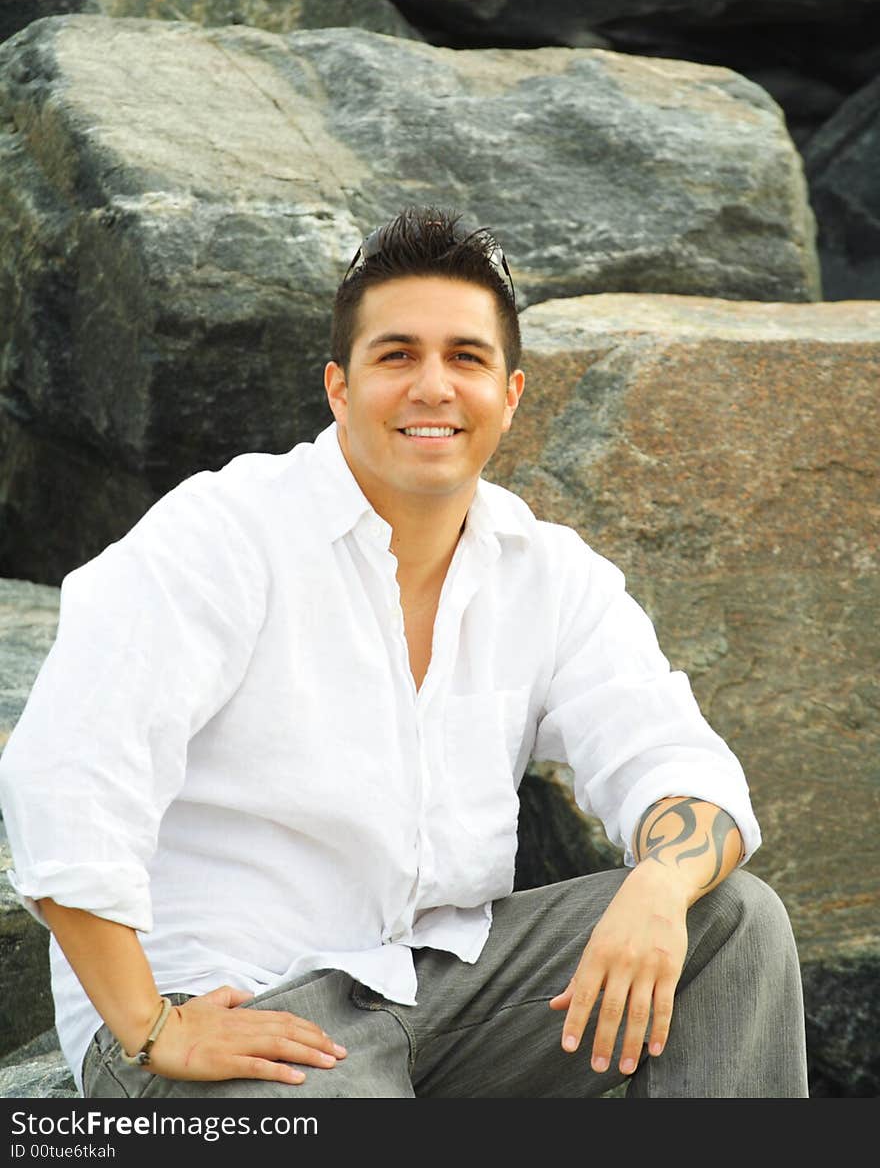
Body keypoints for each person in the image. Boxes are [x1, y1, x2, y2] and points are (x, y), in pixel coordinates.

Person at [0, 206, 808, 1099]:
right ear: (339, 388)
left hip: (441, 991)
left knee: (732, 923)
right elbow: (65, 777)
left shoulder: (550, 575)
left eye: (466, 357)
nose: (433, 387)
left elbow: (676, 760)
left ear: (511, 395)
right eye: (396, 356)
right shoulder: (223, 534)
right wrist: (148, 1027)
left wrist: (658, 884)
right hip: (232, 1003)